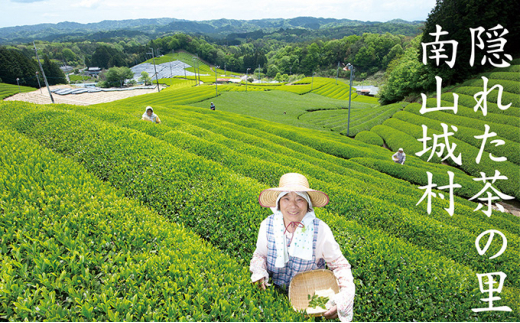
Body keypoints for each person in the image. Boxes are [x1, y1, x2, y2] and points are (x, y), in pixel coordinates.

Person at [250, 173, 355, 322]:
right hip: (274, 297)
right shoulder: (268, 225)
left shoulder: (320, 230)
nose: (293, 205)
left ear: (308, 204)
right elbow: (260, 255)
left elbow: (340, 266)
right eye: (286, 198)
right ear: (279, 203)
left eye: (300, 199)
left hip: (309, 304)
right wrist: (259, 272)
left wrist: (343, 300)